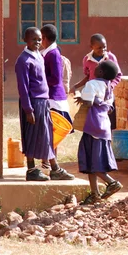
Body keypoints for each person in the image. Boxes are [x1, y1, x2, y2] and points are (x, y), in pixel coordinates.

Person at [14, 27, 75, 181]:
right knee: (31, 135)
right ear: (25, 40)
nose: (37, 42)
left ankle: (55, 169)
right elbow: (23, 87)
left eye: (40, 39)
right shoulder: (23, 60)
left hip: (44, 102)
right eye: (34, 39)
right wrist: (28, 110)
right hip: (33, 103)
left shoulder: (39, 56)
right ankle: (32, 170)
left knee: (46, 136)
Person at [75, 60, 123, 204]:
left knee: (90, 161)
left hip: (92, 126)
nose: (94, 69)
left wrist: (81, 98)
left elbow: (89, 103)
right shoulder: (109, 88)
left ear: (101, 72)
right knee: (93, 160)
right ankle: (94, 194)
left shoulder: (92, 84)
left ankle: (111, 182)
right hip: (104, 127)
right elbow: (108, 107)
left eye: (97, 67)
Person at [71, 34, 122, 129]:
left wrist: (110, 86)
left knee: (108, 122)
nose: (102, 50)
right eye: (99, 48)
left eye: (104, 47)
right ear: (91, 47)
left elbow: (118, 75)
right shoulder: (87, 59)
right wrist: (76, 86)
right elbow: (87, 76)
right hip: (93, 96)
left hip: (106, 95)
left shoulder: (110, 57)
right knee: (93, 121)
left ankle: (107, 140)